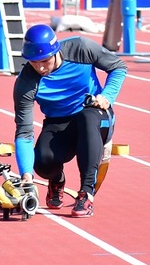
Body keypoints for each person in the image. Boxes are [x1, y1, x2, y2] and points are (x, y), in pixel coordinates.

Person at [13, 25, 128, 218]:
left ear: (55, 51)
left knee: (87, 118)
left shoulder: (80, 48)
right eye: (34, 62)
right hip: (58, 122)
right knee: (41, 162)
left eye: (45, 61)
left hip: (95, 115)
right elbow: (24, 133)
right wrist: (26, 176)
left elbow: (118, 67)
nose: (40, 68)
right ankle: (57, 180)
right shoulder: (26, 83)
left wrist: (107, 96)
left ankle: (86, 193)